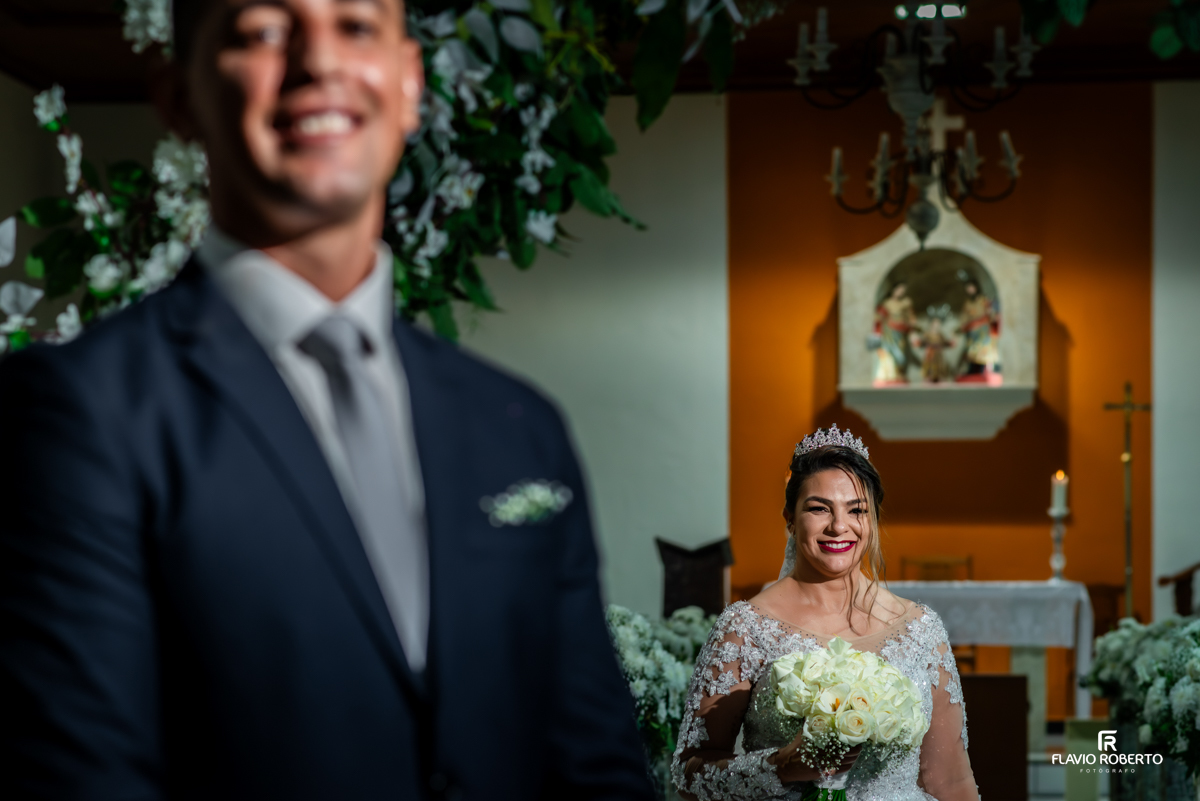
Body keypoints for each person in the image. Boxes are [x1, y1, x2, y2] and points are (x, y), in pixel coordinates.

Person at [0, 0, 654, 799]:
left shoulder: (519, 427)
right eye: (263, 30)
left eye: (354, 25)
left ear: (410, 83)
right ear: (180, 101)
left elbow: (597, 765)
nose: (319, 62)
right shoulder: (79, 412)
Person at [670, 425, 978, 800]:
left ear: (873, 519)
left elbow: (951, 782)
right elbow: (687, 775)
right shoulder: (745, 628)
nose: (838, 526)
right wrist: (781, 765)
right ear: (789, 515)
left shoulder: (920, 629)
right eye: (819, 508)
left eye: (856, 510)